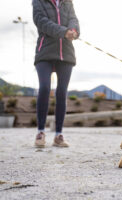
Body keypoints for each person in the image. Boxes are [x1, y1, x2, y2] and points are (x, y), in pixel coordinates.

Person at [32, 0, 80, 148]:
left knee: (62, 92)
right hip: (45, 52)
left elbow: (74, 19)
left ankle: (58, 135)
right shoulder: (38, 1)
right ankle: (40, 132)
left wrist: (73, 30)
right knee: (45, 87)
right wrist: (63, 32)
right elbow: (41, 21)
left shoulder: (67, 2)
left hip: (66, 54)